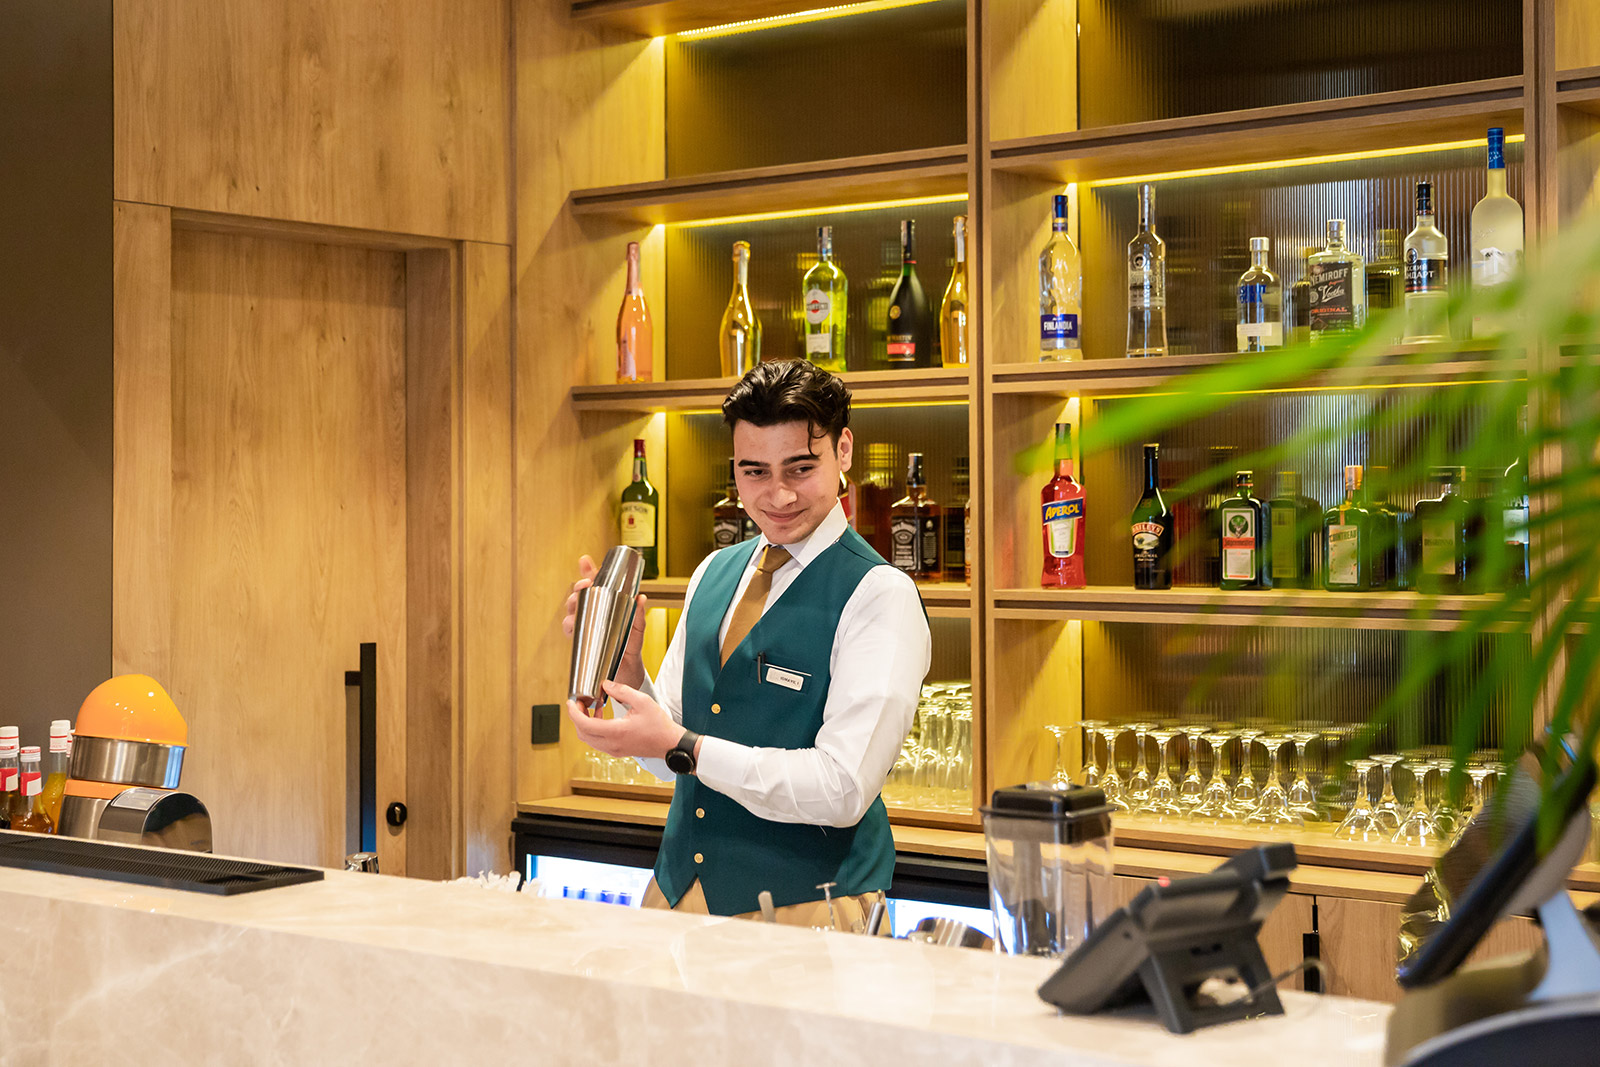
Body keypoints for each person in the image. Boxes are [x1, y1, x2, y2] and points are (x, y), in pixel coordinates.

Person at [560, 359, 931, 927]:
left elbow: (842, 788)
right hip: (676, 893)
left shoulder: (881, 594)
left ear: (844, 451)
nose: (777, 495)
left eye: (800, 468)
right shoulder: (713, 572)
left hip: (810, 906)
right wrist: (627, 672)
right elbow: (670, 756)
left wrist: (687, 747)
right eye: (754, 471)